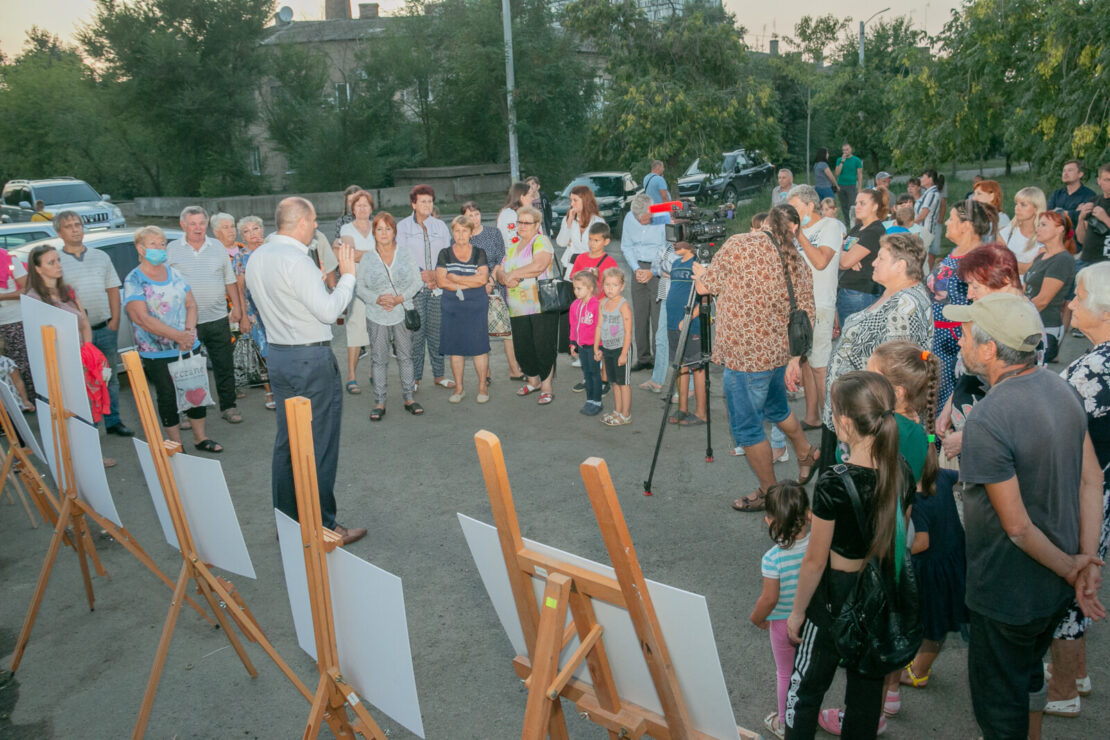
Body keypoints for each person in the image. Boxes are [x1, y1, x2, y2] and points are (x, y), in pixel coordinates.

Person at [943, 292, 1104, 740]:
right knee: (1028, 678)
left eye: (967, 334)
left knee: (999, 712)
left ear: (991, 349)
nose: (960, 341)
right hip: (1053, 588)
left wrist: (1076, 567)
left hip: (1007, 593)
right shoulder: (1061, 386)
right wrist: (1083, 560)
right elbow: (1091, 481)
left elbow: (1016, 527)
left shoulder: (990, 416)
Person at [785, 371, 916, 739]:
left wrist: (797, 612)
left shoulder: (833, 481)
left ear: (844, 421)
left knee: (806, 688)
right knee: (865, 696)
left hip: (833, 601)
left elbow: (814, 560)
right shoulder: (902, 472)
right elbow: (900, 538)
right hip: (877, 599)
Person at [245, 197, 366, 546]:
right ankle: (323, 524)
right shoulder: (295, 260)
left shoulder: (258, 257)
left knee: (287, 443)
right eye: (313, 221)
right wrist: (348, 277)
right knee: (320, 444)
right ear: (300, 222)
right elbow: (329, 311)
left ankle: (288, 522)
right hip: (309, 360)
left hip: (280, 357)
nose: (315, 227)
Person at [691, 208, 819, 511]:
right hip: (778, 353)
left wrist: (699, 273)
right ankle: (806, 452)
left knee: (748, 429)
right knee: (777, 408)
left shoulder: (738, 244)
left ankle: (770, 493)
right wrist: (794, 359)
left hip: (745, 357)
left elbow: (706, 288)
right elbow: (807, 313)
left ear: (764, 223)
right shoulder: (797, 260)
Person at [864, 342, 958, 718]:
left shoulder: (889, 430)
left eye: (873, 375)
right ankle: (898, 687)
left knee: (887, 622)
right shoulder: (919, 430)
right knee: (910, 622)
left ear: (897, 391)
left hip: (901, 541)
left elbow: (913, 535)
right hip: (919, 541)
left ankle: (878, 706)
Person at [1045, 262, 1110, 718]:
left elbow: (1053, 430)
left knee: (1070, 580)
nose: (1071, 303)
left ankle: (1063, 691)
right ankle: (1079, 673)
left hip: (1085, 494)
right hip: (1102, 488)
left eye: (1080, 296)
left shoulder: (1092, 370)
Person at [819, 234, 933, 477]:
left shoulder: (904, 308)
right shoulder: (895, 295)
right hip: (851, 412)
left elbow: (895, 376)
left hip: (865, 422)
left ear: (900, 265)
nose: (873, 262)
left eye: (880, 258)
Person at [122, 227, 222, 453]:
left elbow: (191, 304)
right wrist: (177, 336)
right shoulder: (134, 279)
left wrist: (188, 332)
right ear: (140, 248)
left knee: (196, 391)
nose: (159, 248)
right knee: (167, 397)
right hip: (157, 352)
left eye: (162, 243)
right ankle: (175, 445)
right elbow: (142, 318)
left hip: (187, 345)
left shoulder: (173, 273)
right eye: (153, 244)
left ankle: (200, 437)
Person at [53, 210, 132, 437]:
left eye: (78, 224)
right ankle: (88, 425)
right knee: (83, 380)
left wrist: (115, 320)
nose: (75, 229)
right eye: (69, 226)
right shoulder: (57, 262)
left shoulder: (101, 257)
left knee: (109, 377)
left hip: (105, 327)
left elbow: (112, 290)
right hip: (76, 334)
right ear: (59, 232)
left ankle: (113, 420)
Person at [168, 206, 243, 424]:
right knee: (188, 370)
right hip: (186, 323)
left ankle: (229, 406)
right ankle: (187, 412)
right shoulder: (172, 249)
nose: (198, 228)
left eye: (201, 223)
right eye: (193, 223)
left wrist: (236, 308)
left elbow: (230, 280)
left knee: (224, 365)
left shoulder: (217, 246)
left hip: (218, 317)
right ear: (183, 225)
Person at [749, 481, 811, 740]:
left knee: (786, 672)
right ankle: (807, 712)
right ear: (808, 513)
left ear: (769, 521)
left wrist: (756, 618)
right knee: (807, 671)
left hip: (783, 624)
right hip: (812, 619)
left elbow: (769, 599)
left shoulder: (773, 559)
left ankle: (785, 723)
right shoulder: (817, 545)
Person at [356, 212, 423, 421]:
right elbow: (359, 287)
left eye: (388, 228)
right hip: (377, 314)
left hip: (402, 311)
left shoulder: (406, 253)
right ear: (373, 233)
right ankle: (379, 401)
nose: (384, 233)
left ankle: (409, 398)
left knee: (405, 356)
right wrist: (377, 299)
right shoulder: (367, 257)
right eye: (379, 229)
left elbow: (417, 282)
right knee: (379, 359)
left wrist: (398, 298)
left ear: (394, 231)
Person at [927, 199, 995, 408]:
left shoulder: (979, 259)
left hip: (955, 343)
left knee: (947, 401)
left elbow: (983, 306)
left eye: (952, 219)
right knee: (931, 401)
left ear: (966, 226)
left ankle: (944, 440)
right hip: (937, 339)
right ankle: (932, 440)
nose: (946, 222)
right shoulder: (957, 252)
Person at [788, 186, 841, 431]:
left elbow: (821, 262)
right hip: (799, 307)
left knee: (820, 367)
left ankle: (832, 425)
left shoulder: (830, 226)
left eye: (796, 208)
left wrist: (798, 235)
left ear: (810, 206)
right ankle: (813, 417)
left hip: (820, 303)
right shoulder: (800, 233)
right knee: (806, 363)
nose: (793, 214)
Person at [493, 205, 558, 404]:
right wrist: (504, 277)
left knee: (543, 345)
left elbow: (538, 266)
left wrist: (512, 275)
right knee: (523, 346)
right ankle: (533, 381)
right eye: (519, 222)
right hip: (517, 306)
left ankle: (546, 386)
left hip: (540, 305)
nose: (521, 226)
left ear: (537, 224)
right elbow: (498, 271)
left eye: (526, 223)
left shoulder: (541, 241)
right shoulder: (513, 246)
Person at [397, 185, 452, 391]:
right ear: (413, 204)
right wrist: (423, 274)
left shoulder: (440, 226)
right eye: (423, 201)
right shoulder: (402, 227)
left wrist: (436, 275)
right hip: (415, 287)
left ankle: (439, 375)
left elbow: (447, 255)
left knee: (437, 333)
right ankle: (415, 379)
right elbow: (401, 257)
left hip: (438, 286)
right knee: (416, 335)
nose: (427, 205)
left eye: (430, 201)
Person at [462, 201, 522, 380]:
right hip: (473, 288)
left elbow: (501, 257)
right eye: (470, 215)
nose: (475, 218)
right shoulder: (461, 236)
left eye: (477, 214)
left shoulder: (493, 233)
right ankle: (485, 374)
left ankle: (514, 369)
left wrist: (491, 280)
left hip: (496, 285)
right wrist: (479, 283)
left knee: (507, 330)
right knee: (479, 332)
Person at [436, 215, 491, 404]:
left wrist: (457, 279)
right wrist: (469, 281)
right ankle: (459, 389)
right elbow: (441, 281)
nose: (460, 235)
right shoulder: (444, 253)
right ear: (453, 232)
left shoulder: (479, 253)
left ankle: (482, 387)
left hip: (476, 305)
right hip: (452, 306)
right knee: (455, 349)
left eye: (464, 231)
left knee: (479, 348)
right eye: (457, 231)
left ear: (471, 233)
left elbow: (483, 280)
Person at [619, 194, 666, 371]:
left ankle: (658, 361)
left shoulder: (662, 216)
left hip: (658, 270)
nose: (641, 222)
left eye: (645, 218)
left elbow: (668, 248)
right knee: (639, 315)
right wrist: (636, 268)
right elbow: (626, 246)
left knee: (658, 317)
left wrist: (652, 272)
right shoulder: (630, 218)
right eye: (638, 219)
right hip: (638, 267)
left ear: (651, 211)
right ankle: (643, 358)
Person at [233, 215, 274, 409]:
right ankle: (269, 393)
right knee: (263, 352)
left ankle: (286, 389)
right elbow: (240, 290)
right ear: (242, 236)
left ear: (262, 229)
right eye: (247, 231)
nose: (252, 234)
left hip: (277, 307)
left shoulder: (272, 249)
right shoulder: (241, 257)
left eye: (255, 228)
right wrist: (242, 316)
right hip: (254, 311)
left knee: (281, 348)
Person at [1025, 210, 1076, 363]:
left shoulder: (1062, 260)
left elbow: (1042, 300)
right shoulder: (1041, 256)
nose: (1037, 229)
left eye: (1043, 225)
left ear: (1060, 229)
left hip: (1045, 328)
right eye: (1038, 225)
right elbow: (1024, 289)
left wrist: (1014, 315)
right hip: (1029, 324)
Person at [339, 190, 376, 394]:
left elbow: (390, 251)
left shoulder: (378, 225)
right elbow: (351, 254)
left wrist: (364, 255)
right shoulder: (347, 228)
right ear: (352, 209)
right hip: (356, 285)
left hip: (378, 286)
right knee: (355, 329)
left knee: (377, 329)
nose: (362, 208)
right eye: (358, 205)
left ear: (371, 208)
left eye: (366, 205)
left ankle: (373, 372)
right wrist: (378, 253)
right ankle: (351, 376)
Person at [665, 240, 706, 426]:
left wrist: (690, 318)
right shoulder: (675, 263)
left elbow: (706, 298)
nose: (675, 244)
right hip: (673, 323)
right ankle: (683, 408)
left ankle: (701, 412)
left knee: (697, 366)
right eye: (674, 240)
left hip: (692, 325)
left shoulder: (698, 264)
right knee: (680, 364)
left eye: (680, 240)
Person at [837, 189, 887, 325]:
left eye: (862, 203)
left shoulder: (874, 231)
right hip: (847, 290)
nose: (857, 207)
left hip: (860, 293)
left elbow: (844, 262)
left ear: (875, 206)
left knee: (855, 340)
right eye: (856, 203)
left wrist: (845, 256)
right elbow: (839, 247)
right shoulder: (857, 228)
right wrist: (847, 254)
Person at [596, 268, 634, 426]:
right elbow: (599, 326)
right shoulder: (602, 303)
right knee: (614, 383)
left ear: (622, 286)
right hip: (607, 349)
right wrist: (596, 348)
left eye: (614, 285)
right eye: (607, 284)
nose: (610, 288)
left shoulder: (623, 306)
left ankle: (626, 414)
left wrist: (624, 353)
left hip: (620, 349)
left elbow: (628, 332)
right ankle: (617, 411)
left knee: (623, 383)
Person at [0, 242, 31, 398]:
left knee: (23, 368)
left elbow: (27, 289)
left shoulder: (9, 260)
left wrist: (2, 296)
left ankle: (34, 405)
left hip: (15, 323)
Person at [569, 271, 602, 416]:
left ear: (590, 288)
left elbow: (600, 327)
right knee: (586, 374)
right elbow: (573, 325)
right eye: (574, 288)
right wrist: (573, 343)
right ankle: (589, 400)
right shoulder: (575, 305)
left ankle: (597, 401)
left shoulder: (597, 305)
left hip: (593, 346)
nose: (576, 291)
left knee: (595, 374)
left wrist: (599, 347)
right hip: (582, 346)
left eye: (579, 288)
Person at [557, 185, 604, 273]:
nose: (572, 204)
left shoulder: (598, 222)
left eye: (575, 200)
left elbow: (597, 248)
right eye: (571, 200)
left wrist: (573, 243)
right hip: (569, 265)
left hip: (590, 266)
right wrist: (569, 222)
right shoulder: (568, 219)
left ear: (585, 201)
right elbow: (561, 243)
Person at [999, 186, 1047, 274]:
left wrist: (1007, 263)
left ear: (1036, 209)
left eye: (1023, 205)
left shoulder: (1045, 237)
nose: (1017, 208)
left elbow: (1035, 269)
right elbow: (997, 263)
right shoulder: (1005, 232)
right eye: (1016, 204)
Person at [1074, 162, 1110, 271]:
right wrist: (1081, 218)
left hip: (1105, 264)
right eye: (1107, 180)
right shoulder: (1094, 201)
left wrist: (1105, 219)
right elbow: (1081, 240)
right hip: (1085, 260)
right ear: (1099, 181)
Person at [1047, 159, 1097, 229]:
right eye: (1064, 171)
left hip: (1076, 237)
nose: (1065, 173)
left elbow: (1085, 217)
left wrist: (1060, 212)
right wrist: (1073, 213)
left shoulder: (1089, 195)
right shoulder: (1057, 194)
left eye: (1070, 170)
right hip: (1056, 236)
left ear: (1080, 174)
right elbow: (1048, 215)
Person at [914, 169, 943, 270]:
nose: (921, 179)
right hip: (920, 230)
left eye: (923, 177)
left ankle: (925, 281)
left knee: (923, 260)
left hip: (925, 230)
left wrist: (908, 223)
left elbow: (923, 215)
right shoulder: (927, 193)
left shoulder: (932, 194)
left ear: (930, 179)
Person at [496, 181, 534, 247]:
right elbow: (511, 242)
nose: (533, 199)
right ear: (522, 197)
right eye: (530, 196)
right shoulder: (509, 215)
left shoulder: (521, 213)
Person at [834, 143, 863, 227]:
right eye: (844, 150)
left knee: (852, 206)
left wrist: (860, 187)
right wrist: (842, 161)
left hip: (852, 185)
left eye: (847, 149)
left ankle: (855, 223)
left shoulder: (856, 160)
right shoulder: (839, 160)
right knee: (844, 206)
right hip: (841, 185)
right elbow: (837, 173)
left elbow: (860, 174)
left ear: (851, 149)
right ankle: (847, 223)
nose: (845, 151)